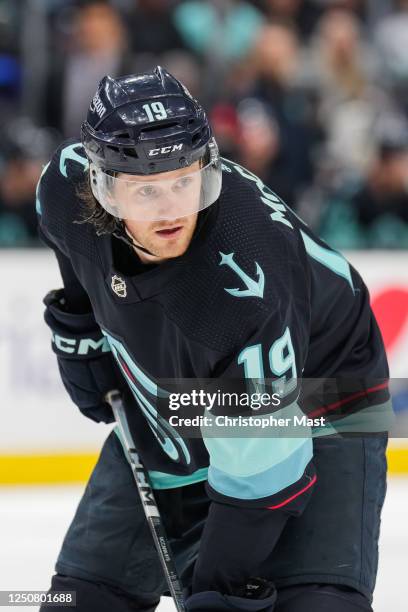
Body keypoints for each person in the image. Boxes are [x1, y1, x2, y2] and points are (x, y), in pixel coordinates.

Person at [37, 67, 391, 612]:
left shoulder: (242, 294)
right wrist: (81, 327)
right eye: (146, 189)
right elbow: (70, 246)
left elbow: (267, 468)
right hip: (187, 397)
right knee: (82, 601)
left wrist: (220, 585)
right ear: (101, 187)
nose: (171, 208)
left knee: (314, 604)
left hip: (326, 393)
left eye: (184, 180)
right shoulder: (64, 184)